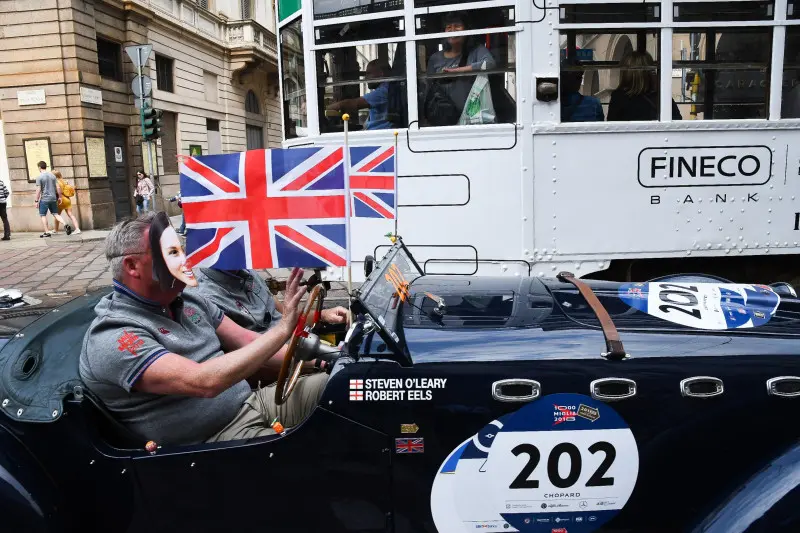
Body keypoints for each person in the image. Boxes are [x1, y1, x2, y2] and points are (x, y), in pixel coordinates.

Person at [80, 212, 329, 446]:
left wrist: (323, 362)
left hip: (253, 403)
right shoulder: (115, 336)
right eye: (171, 253)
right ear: (132, 266)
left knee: (351, 386)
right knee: (318, 455)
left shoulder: (189, 301)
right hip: (213, 442)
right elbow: (204, 382)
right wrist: (282, 330)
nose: (187, 261)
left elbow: (247, 340)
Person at [190, 268, 348, 334]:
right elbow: (247, 359)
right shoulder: (205, 298)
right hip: (283, 365)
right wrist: (319, 362)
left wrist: (322, 315)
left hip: (300, 345)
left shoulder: (245, 272)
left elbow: (284, 315)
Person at [423, 12, 496, 125]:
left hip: (472, 117)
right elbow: (428, 88)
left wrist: (456, 71)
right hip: (443, 119)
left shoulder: (476, 51)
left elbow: (490, 64)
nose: (453, 30)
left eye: (457, 26)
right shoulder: (435, 58)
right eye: (448, 27)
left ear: (467, 30)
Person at [607, 51, 681, 122]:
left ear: (626, 72)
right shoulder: (661, 97)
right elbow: (677, 121)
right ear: (648, 71)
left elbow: (611, 127)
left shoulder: (619, 97)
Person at [326, 59, 393, 130]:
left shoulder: (383, 91)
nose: (366, 78)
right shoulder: (388, 89)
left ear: (380, 73)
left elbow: (352, 104)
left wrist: (328, 108)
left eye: (368, 73)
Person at [35, 161, 72, 238]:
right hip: (53, 198)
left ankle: (47, 232)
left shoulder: (39, 177)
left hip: (44, 199)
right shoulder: (52, 176)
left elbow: (38, 190)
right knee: (55, 214)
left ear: (39, 167)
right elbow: (58, 187)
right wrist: (60, 197)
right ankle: (65, 224)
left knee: (43, 215)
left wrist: (36, 200)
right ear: (46, 166)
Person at [52, 170, 81, 235]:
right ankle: (77, 229)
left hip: (60, 200)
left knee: (57, 215)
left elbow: (58, 191)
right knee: (71, 215)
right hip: (67, 200)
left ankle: (56, 230)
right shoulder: (65, 181)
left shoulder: (57, 182)